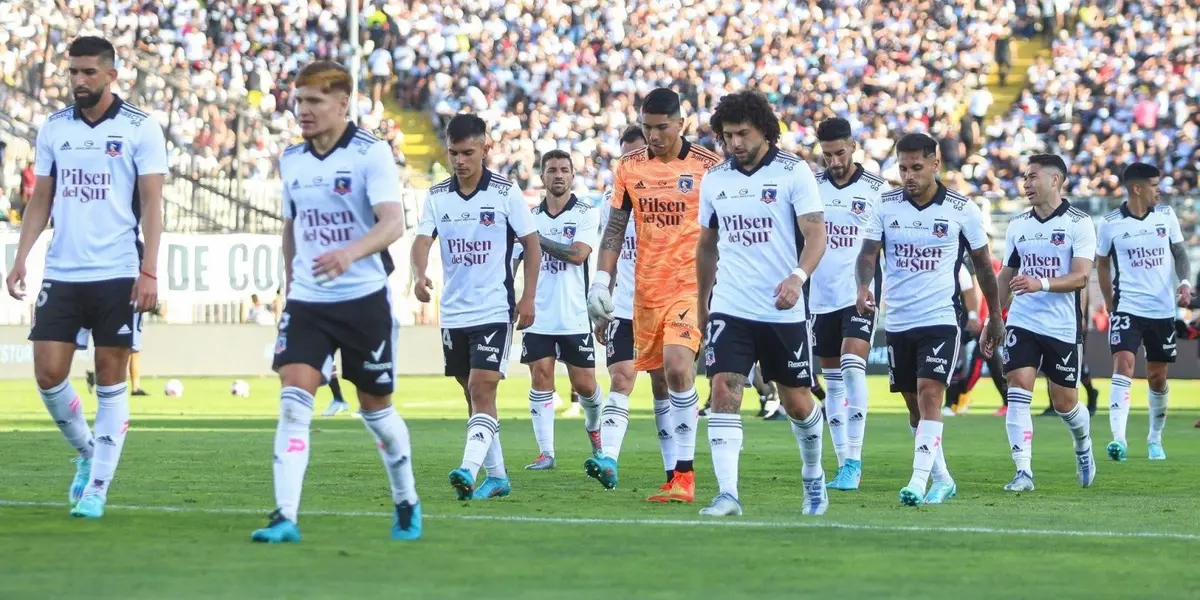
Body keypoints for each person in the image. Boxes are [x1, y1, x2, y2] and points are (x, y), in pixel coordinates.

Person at [253, 61, 417, 543]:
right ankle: (285, 516)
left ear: (343, 104)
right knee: (293, 402)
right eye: (299, 101)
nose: (302, 111)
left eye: (314, 102)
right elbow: (292, 227)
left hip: (363, 300)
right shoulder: (292, 159)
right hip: (308, 301)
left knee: (377, 411)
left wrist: (349, 253)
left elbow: (392, 223)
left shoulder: (371, 154)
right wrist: (290, 287)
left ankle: (406, 499)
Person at [5, 36, 165, 519]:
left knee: (112, 379)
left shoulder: (141, 128)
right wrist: (21, 257)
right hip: (64, 270)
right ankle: (86, 451)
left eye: (88, 72)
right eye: (73, 72)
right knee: (48, 374)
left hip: (118, 270)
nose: (78, 80)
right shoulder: (53, 128)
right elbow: (42, 199)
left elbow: (154, 204)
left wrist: (150, 270)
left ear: (111, 75)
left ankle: (97, 487)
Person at [693, 90, 829, 516]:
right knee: (723, 388)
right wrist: (702, 302)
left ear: (764, 130)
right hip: (731, 305)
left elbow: (816, 236)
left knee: (797, 403)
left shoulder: (794, 173)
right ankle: (728, 494)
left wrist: (797, 277)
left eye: (743, 133)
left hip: (782, 308)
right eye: (727, 135)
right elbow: (707, 247)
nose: (735, 143)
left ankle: (813, 476)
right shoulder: (716, 179)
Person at [584, 88, 721, 503]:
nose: (655, 135)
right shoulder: (628, 168)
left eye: (662, 127)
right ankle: (672, 474)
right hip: (646, 290)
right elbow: (614, 229)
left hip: (690, 286)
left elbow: (723, 230)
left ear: (681, 124)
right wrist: (600, 282)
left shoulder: (708, 168)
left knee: (679, 368)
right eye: (647, 128)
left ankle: (685, 474)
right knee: (661, 380)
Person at [855, 133, 1004, 507]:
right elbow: (867, 255)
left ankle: (918, 481)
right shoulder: (885, 205)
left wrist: (995, 316)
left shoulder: (961, 209)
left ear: (936, 164)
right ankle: (943, 478)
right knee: (913, 405)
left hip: (940, 317)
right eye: (903, 168)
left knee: (930, 394)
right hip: (899, 321)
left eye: (916, 167)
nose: (908, 175)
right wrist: (862, 287)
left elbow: (984, 267)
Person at [411, 113, 540, 501]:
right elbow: (421, 240)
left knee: (481, 388)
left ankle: (467, 469)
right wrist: (418, 274)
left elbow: (531, 244)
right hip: (454, 311)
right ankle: (497, 476)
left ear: (485, 148)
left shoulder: (504, 193)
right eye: (453, 153)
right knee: (472, 396)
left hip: (494, 309)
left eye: (468, 152)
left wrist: (528, 295)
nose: (460, 161)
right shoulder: (437, 196)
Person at [997, 154, 1097, 492]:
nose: (1025, 183)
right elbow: (1006, 275)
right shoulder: (1018, 225)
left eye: (1032, 176)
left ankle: (1083, 445)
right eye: (1024, 177)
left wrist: (1040, 283)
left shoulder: (1079, 223)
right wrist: (993, 320)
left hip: (1061, 326)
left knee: (1064, 403)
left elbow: (1081, 277)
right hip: (1023, 320)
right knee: (1017, 387)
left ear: (1055, 180)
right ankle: (1023, 472)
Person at [594, 126, 680, 484]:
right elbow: (608, 253)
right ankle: (609, 461)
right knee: (621, 377)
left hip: (663, 306)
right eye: (626, 155)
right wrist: (601, 303)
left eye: (638, 153)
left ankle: (674, 469)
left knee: (663, 385)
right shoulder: (609, 201)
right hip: (625, 309)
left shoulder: (673, 194)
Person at [1096, 162, 1193, 462]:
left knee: (1156, 376)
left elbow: (1180, 253)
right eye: (1154, 184)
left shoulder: (1166, 215)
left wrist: (1186, 283)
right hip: (1128, 306)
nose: (1159, 190)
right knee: (1123, 365)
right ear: (1137, 188)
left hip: (1162, 309)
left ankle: (1154, 438)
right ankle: (1119, 440)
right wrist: (1109, 300)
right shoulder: (1110, 223)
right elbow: (1101, 262)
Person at [810, 117, 885, 491]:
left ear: (853, 147)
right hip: (821, 295)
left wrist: (868, 284)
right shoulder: (812, 187)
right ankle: (842, 464)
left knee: (854, 367)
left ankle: (854, 460)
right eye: (827, 155)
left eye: (839, 152)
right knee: (833, 382)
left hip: (860, 290)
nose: (834, 161)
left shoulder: (877, 189)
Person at [516, 149, 603, 470]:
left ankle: (595, 430)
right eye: (552, 170)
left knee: (585, 387)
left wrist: (535, 240)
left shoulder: (584, 212)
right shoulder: (528, 218)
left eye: (564, 170)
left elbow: (578, 254)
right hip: (538, 314)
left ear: (572, 176)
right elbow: (514, 260)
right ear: (542, 176)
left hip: (574, 315)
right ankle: (546, 453)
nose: (558, 175)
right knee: (540, 377)